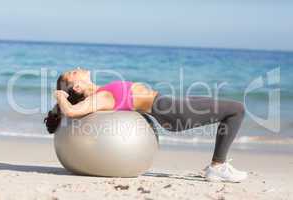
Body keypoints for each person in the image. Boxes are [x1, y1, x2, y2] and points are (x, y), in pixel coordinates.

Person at [44, 67, 247, 182]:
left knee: (230, 108)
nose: (78, 68)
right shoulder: (100, 97)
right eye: (72, 72)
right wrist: (60, 97)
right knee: (236, 109)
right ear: (76, 86)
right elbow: (71, 111)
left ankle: (217, 166)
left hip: (168, 102)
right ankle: (218, 166)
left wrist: (59, 105)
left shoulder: (101, 91)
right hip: (168, 109)